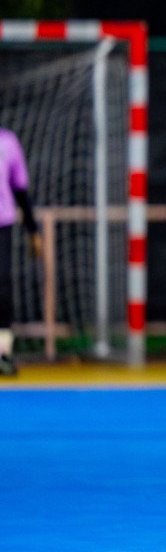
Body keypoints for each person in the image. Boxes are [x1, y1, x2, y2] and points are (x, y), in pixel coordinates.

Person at [0, 126, 42, 376]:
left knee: (1, 288)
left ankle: (3, 353)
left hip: (1, 225)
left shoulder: (8, 142)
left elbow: (20, 190)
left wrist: (33, 230)